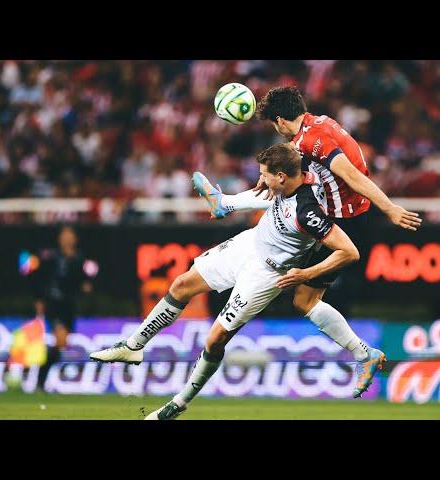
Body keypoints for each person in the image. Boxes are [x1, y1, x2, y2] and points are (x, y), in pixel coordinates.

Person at [90, 143, 385, 419]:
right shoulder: (298, 170)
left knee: (214, 338)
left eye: (264, 176)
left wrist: (306, 274)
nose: (260, 180)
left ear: (282, 177)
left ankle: (179, 403)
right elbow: (293, 156)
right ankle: (133, 345)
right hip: (250, 244)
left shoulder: (307, 213)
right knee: (181, 285)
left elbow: (349, 252)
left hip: (267, 273)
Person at [194, 85, 421, 355]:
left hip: (342, 218)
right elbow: (297, 149)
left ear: (280, 120)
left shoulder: (315, 140)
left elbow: (352, 175)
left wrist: (390, 207)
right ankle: (225, 203)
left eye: (274, 125)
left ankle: (363, 353)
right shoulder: (316, 124)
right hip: (335, 206)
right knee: (281, 189)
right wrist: (270, 170)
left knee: (305, 300)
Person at [34, 225, 93, 390]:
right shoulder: (52, 257)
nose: (67, 238)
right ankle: (40, 380)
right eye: (65, 235)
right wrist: (39, 299)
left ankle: (42, 375)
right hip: (54, 303)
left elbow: (81, 279)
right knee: (60, 338)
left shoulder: (79, 258)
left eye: (70, 235)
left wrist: (85, 285)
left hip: (68, 306)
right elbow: (41, 278)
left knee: (61, 344)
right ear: (60, 239)